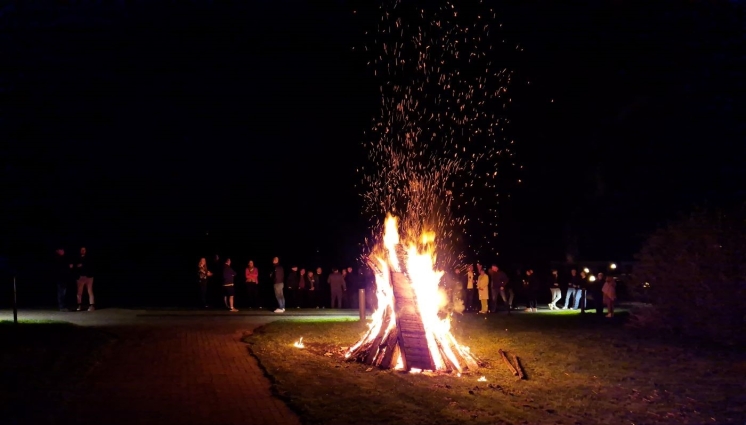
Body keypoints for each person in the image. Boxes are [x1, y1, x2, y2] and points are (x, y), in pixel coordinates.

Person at [73, 247, 95, 311]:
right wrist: (77, 266)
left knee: (90, 291)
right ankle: (79, 305)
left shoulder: (89, 257)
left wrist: (83, 265)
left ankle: (92, 305)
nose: (83, 251)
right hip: (80, 277)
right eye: (81, 250)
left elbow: (92, 265)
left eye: (84, 250)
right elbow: (74, 266)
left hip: (89, 277)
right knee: (79, 292)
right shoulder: (77, 258)